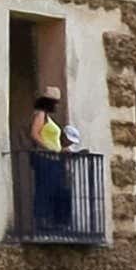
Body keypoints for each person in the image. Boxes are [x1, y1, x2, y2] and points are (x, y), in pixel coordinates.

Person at [25, 96, 82, 232]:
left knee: (57, 189)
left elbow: (51, 139)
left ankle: (56, 221)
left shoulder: (48, 118)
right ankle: (43, 221)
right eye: (54, 103)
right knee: (45, 189)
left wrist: (61, 150)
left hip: (53, 158)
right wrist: (50, 149)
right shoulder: (41, 115)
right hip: (45, 158)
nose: (56, 105)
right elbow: (34, 134)